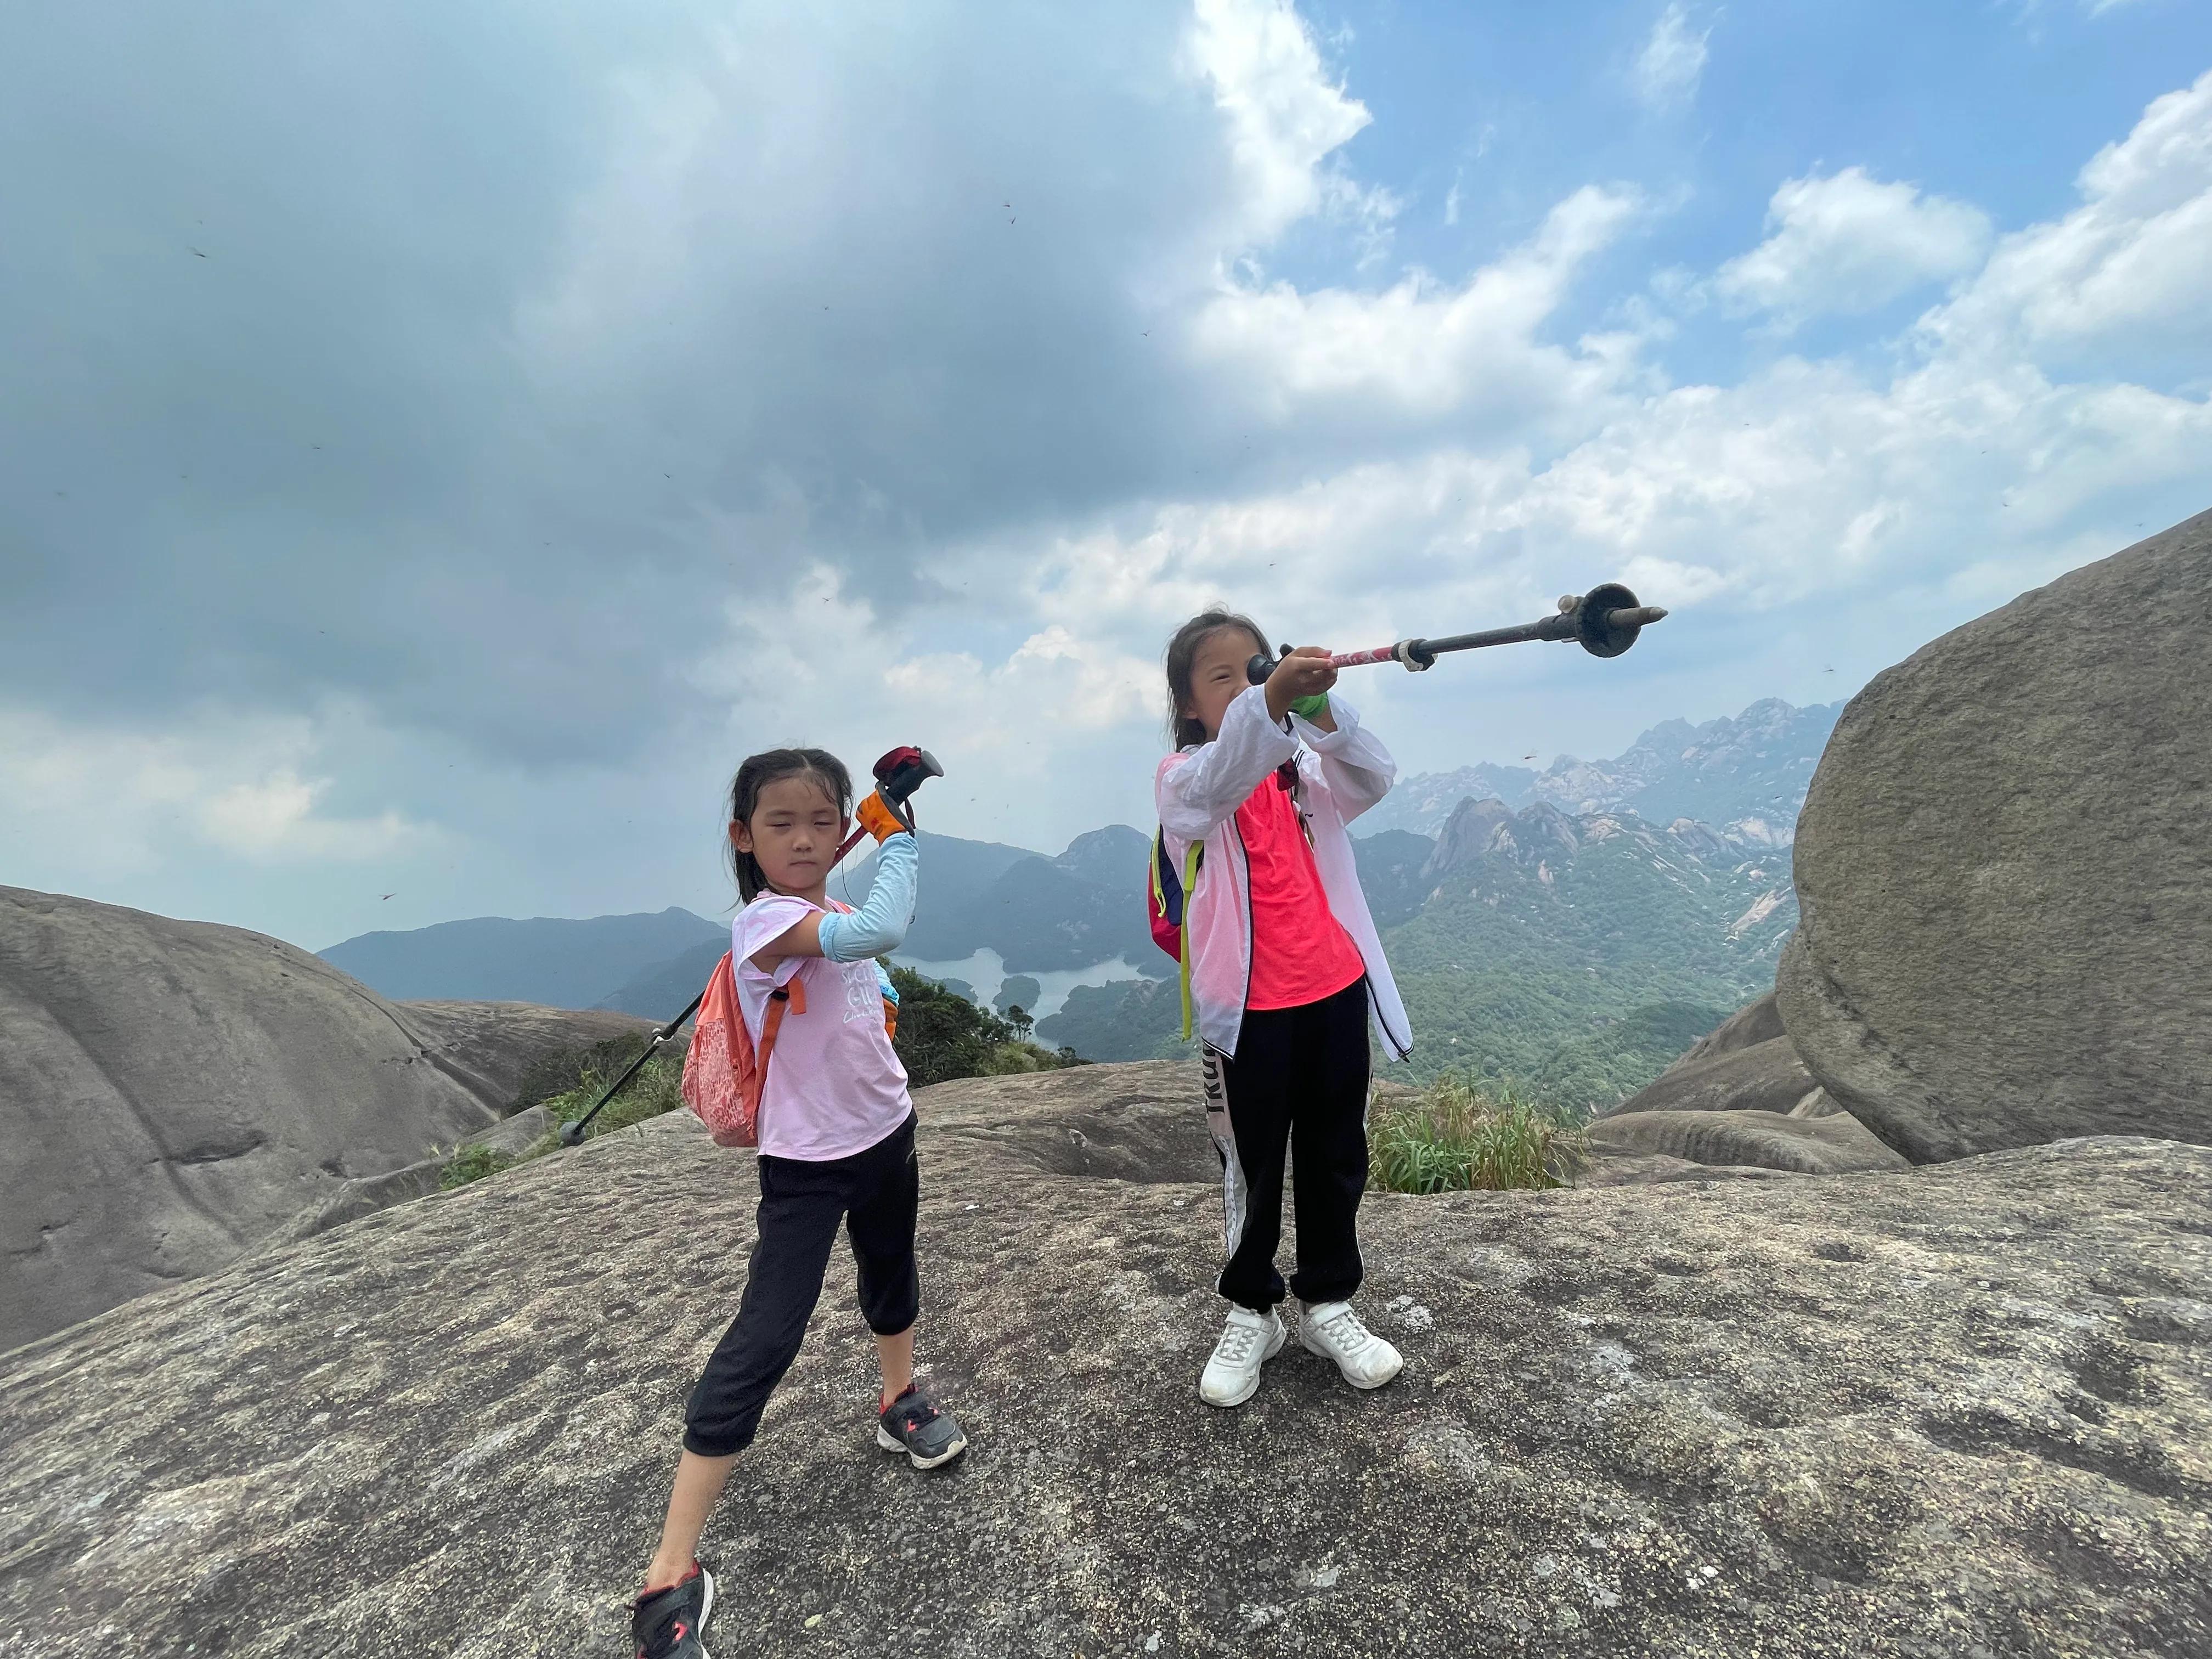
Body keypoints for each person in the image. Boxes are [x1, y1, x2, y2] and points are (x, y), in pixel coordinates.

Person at [629, 747, 967, 1659]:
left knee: (893, 1274)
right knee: (768, 1333)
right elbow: (880, 934)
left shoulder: (824, 906)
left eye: (825, 819)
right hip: (808, 1164)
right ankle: (670, 1568)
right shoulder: (766, 924)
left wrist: (885, 807)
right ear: (744, 838)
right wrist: (900, 839)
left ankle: (899, 1398)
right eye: (782, 823)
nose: (809, 838)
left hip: (885, 1134)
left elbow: (861, 967)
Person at [1155, 613, 1415, 1409]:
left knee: (1337, 1155)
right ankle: (1252, 1309)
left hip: (1335, 989)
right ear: (1190, 704)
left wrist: (1325, 714)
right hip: (1250, 1011)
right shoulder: (1186, 777)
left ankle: (1328, 1302)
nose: (1243, 686)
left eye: (1254, 668)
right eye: (1221, 677)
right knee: (1254, 1167)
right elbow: (1220, 778)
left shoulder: (1301, 770)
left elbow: (1373, 777)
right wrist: (1270, 699)